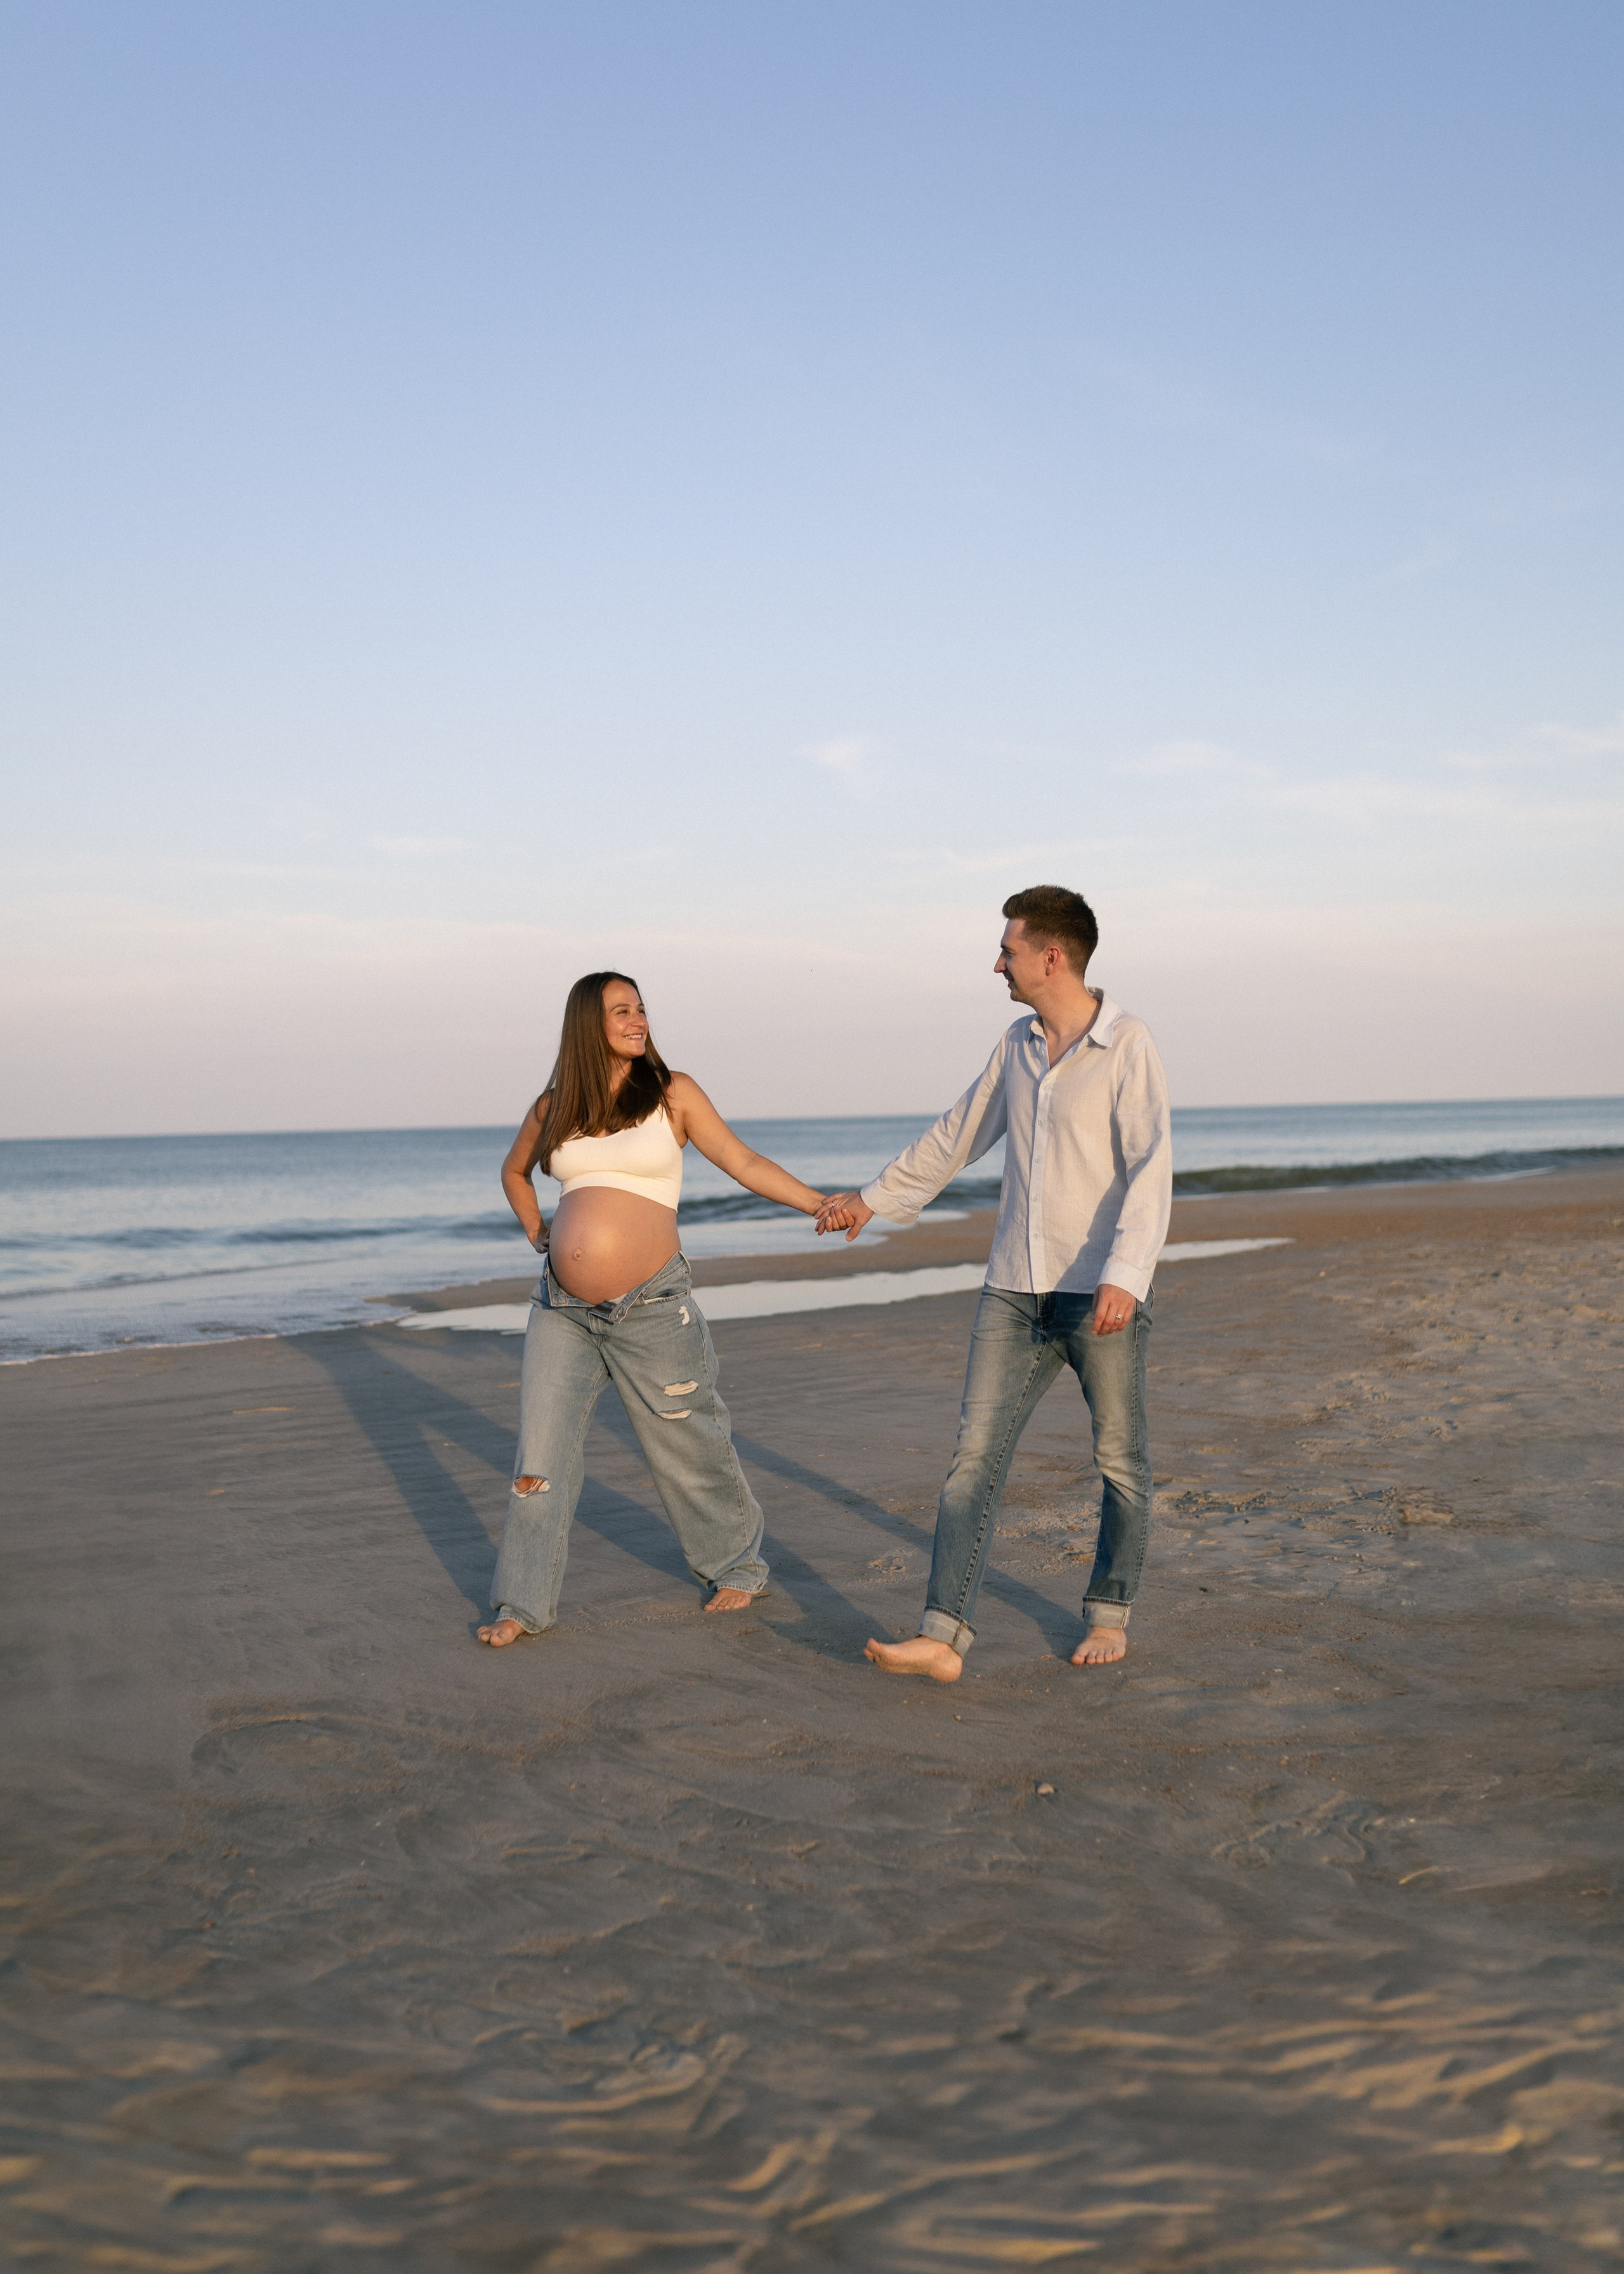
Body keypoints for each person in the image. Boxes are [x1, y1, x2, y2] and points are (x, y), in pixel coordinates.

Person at [816, 886, 1171, 1682]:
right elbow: (956, 1135)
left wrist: (1126, 1274)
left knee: (1118, 1458)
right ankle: (943, 1636)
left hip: (1097, 1291)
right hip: (1013, 1288)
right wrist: (871, 1200)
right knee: (972, 1459)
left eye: (1007, 948)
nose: (997, 962)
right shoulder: (1014, 1044)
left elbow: (1151, 1165)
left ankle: (1109, 1613)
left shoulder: (1128, 1042)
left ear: (1053, 955)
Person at [478, 970, 828, 1647]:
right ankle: (520, 1603)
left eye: (640, 1008)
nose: (637, 1020)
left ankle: (736, 1565)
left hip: (651, 1304)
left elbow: (743, 1160)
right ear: (589, 1024)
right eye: (620, 1011)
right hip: (561, 1310)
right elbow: (514, 1170)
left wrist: (818, 1202)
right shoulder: (554, 1106)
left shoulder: (673, 1093)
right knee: (538, 1459)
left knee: (687, 1441)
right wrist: (537, 1230)